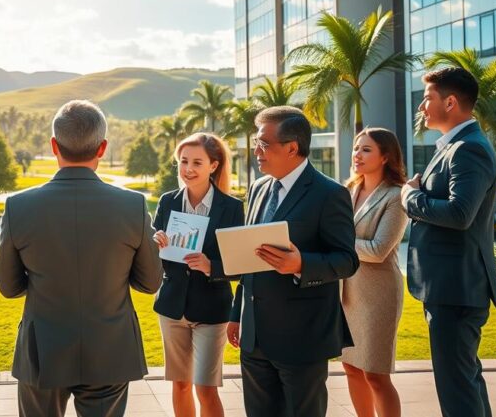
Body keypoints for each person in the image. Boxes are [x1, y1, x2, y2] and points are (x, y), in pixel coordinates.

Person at [0, 100, 162, 417]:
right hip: (109, 349)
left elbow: (8, 286)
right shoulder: (132, 206)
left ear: (53, 145)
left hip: (42, 350)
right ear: (102, 148)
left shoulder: (19, 207)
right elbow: (150, 282)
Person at [228, 106, 358, 417]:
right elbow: (250, 259)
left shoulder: (330, 194)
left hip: (302, 338)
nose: (256, 151)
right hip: (254, 336)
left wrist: (301, 265)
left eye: (263, 144)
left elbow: (347, 260)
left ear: (292, 147)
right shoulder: (258, 188)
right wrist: (237, 314)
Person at [402, 67, 496, 417]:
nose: (421, 108)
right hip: (450, 286)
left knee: (457, 389)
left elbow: (461, 214)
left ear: (450, 101)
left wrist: (410, 198)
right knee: (465, 382)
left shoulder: (467, 149)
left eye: (427, 99)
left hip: (457, 289)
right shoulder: (457, 146)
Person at [151, 133, 245, 417]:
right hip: (172, 307)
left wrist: (211, 266)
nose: (188, 169)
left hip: (211, 310)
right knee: (180, 385)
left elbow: (240, 266)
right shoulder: (168, 202)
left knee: (205, 387)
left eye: (197, 162)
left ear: (213, 165)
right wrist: (156, 241)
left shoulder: (231, 208)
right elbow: (153, 253)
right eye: (183, 161)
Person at [341, 128, 409, 417]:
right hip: (347, 295)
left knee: (376, 375)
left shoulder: (396, 197)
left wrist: (339, 243)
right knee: (351, 368)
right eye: (357, 148)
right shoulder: (347, 191)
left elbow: (379, 249)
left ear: (386, 157)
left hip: (378, 295)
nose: (357, 154)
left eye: (366, 149)